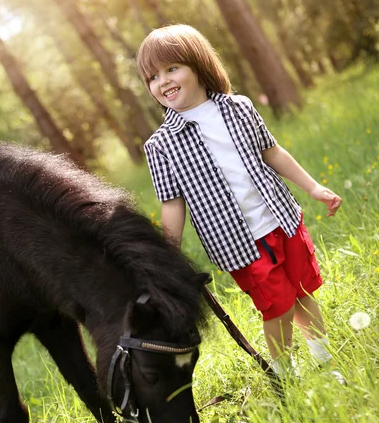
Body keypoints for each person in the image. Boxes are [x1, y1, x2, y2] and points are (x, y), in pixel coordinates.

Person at [136, 24, 343, 381]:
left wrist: (314, 188)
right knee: (276, 308)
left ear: (197, 65)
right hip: (237, 244)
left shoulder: (239, 108)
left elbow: (272, 152)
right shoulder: (161, 145)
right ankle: (285, 375)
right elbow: (172, 204)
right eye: (153, 76)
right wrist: (167, 255)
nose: (163, 81)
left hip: (282, 218)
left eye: (172, 68)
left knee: (303, 292)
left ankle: (325, 363)